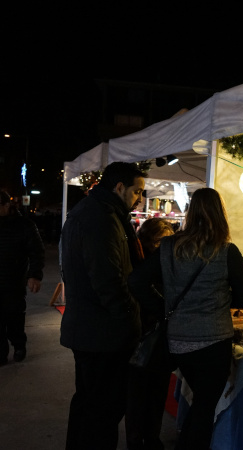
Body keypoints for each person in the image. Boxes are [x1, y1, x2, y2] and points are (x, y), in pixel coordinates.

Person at [129, 188, 243, 450]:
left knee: (201, 404)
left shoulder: (167, 247)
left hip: (178, 342)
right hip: (213, 342)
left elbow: (137, 281)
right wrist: (219, 300)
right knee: (204, 408)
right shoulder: (226, 251)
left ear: (190, 212)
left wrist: (163, 306)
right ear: (220, 214)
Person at [60, 162, 145, 450]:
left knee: (88, 405)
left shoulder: (94, 212)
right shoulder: (101, 218)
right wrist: (130, 323)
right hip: (102, 334)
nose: (140, 200)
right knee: (102, 411)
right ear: (119, 187)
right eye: (137, 192)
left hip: (91, 329)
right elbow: (109, 282)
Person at [126, 218, 175, 450]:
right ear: (146, 242)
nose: (163, 246)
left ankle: (152, 438)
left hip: (161, 338)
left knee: (157, 392)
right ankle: (135, 440)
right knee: (137, 394)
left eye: (167, 242)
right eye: (159, 241)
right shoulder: (138, 265)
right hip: (141, 337)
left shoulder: (167, 265)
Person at [0, 190, 44, 365]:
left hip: (13, 282)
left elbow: (36, 252)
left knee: (14, 318)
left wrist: (34, 275)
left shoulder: (24, 225)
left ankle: (19, 345)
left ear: (6, 205)